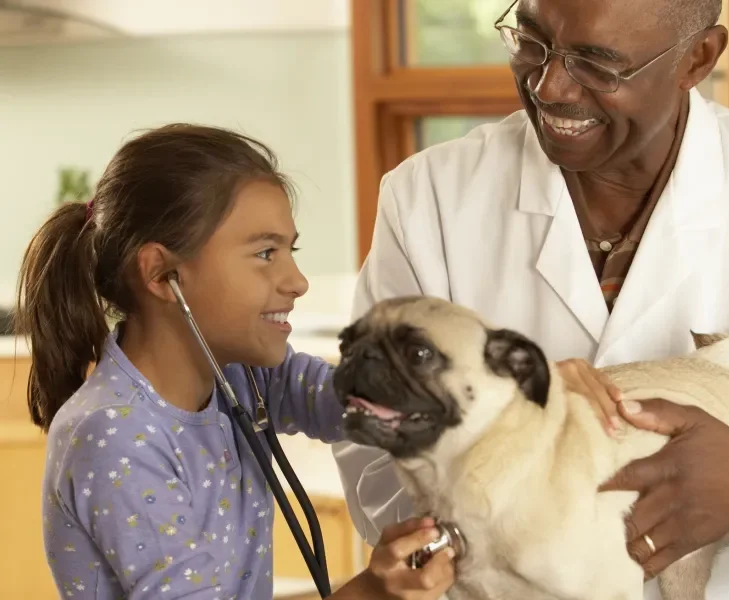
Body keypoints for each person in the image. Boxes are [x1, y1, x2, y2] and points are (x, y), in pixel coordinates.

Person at [332, 0, 729, 598]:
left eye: (597, 63)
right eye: (531, 40)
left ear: (697, 59)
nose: (550, 85)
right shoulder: (430, 197)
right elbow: (365, 430)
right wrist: (488, 513)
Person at [17, 124, 457, 600]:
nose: (297, 281)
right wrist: (373, 592)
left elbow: (351, 402)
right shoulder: (114, 436)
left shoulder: (241, 374)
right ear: (164, 275)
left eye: (292, 250)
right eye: (265, 253)